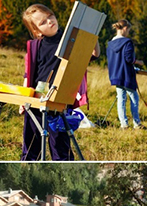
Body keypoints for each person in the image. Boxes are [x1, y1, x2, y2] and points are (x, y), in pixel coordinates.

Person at [21, 4, 100, 160]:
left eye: (50, 16)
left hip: (61, 98)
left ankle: (62, 163)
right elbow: (28, 74)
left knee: (60, 145)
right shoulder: (35, 46)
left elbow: (94, 54)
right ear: (37, 31)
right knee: (31, 143)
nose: (50, 21)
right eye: (43, 22)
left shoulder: (69, 38)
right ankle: (29, 164)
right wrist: (24, 100)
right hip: (37, 98)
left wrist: (92, 36)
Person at [106, 19, 145, 130]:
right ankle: (137, 124)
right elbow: (129, 59)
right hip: (126, 76)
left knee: (121, 99)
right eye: (128, 30)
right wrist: (138, 62)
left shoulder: (110, 44)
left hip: (115, 75)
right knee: (134, 98)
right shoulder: (127, 42)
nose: (128, 32)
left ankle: (124, 124)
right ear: (124, 29)